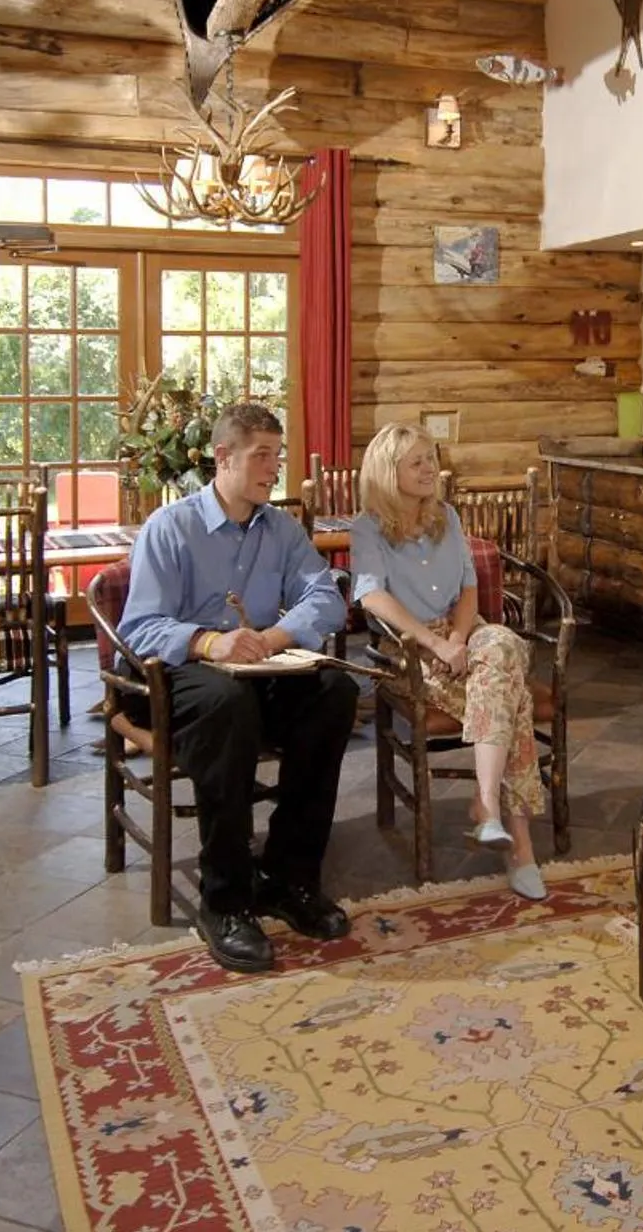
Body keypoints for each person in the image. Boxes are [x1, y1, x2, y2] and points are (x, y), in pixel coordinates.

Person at [117, 401, 357, 973]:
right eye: (262, 456)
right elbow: (139, 626)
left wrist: (275, 636)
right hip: (177, 675)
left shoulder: (281, 530)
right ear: (223, 457)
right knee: (227, 705)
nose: (274, 469)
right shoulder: (169, 528)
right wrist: (208, 642)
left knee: (336, 692)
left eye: (278, 456)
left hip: (255, 670)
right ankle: (224, 900)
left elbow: (325, 598)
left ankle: (288, 877)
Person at [349, 424, 549, 900]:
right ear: (387, 469)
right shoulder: (367, 527)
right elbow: (371, 596)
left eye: (430, 458)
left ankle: (486, 805)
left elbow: (468, 590)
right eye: (416, 461)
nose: (429, 469)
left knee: (499, 644)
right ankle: (519, 847)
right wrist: (435, 645)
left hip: (463, 633)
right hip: (411, 649)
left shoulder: (448, 517)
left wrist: (459, 637)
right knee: (511, 697)